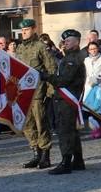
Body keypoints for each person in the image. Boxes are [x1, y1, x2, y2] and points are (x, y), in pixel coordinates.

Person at [15, 19, 57, 169]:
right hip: (23, 93)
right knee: (28, 124)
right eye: (22, 30)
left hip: (38, 92)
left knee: (41, 124)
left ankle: (45, 155)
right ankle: (35, 153)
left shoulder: (41, 47)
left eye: (26, 29)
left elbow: (51, 69)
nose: (24, 32)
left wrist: (50, 92)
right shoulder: (19, 48)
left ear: (34, 29)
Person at [47, 29, 87, 175]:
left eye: (68, 41)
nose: (65, 43)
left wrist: (47, 77)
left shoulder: (73, 59)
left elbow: (63, 80)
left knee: (65, 131)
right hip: (66, 99)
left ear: (77, 42)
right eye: (64, 41)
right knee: (72, 131)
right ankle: (78, 160)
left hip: (67, 100)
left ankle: (66, 162)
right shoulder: (68, 57)